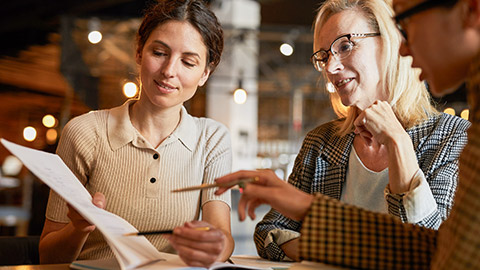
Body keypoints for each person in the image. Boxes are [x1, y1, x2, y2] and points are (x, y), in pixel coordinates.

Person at [216, 0, 480, 268]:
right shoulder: (322, 141)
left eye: (345, 45)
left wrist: (399, 144)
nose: (330, 68)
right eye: (324, 56)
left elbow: (430, 249)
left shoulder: (455, 137)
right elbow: (268, 232)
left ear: (388, 41)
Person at [39, 0, 234, 267]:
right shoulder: (84, 132)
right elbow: (48, 257)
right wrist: (79, 228)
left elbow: (222, 235)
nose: (169, 71)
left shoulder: (212, 139)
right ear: (139, 51)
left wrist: (214, 245)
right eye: (159, 52)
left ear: (205, 74)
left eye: (188, 62)